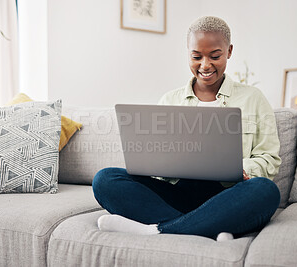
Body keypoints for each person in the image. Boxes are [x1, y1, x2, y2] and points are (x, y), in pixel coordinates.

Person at [92, 16, 281, 241]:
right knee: (105, 179)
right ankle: (208, 226)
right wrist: (157, 163)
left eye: (215, 56)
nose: (205, 65)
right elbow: (154, 161)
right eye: (196, 56)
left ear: (229, 51)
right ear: (188, 53)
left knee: (266, 191)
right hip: (177, 193)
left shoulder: (253, 98)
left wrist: (241, 168)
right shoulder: (170, 100)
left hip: (228, 195)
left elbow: (269, 160)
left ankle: (157, 229)